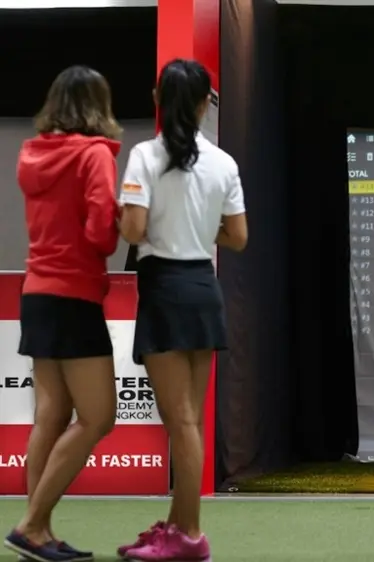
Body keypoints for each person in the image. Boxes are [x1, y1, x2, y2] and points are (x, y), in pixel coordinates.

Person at [114, 58, 247, 562]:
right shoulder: (224, 162)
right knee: (189, 419)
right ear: (202, 103)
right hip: (203, 288)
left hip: (165, 289)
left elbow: (131, 230)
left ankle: (189, 536)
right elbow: (238, 237)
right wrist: (199, 227)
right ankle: (177, 527)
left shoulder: (145, 156)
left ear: (158, 99)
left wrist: (147, 222)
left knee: (183, 423)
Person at [3, 65, 123, 562]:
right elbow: (101, 234)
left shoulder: (32, 154)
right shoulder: (95, 155)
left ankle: (40, 532)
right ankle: (31, 525)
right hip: (75, 295)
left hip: (37, 293)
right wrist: (122, 218)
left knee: (50, 416)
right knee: (99, 417)